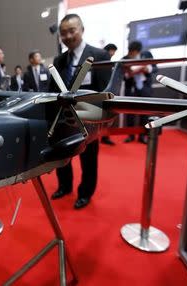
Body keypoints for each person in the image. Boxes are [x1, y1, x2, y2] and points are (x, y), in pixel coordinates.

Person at [49, 14, 111, 209]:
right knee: (62, 155)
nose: (67, 36)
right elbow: (52, 89)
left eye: (71, 30)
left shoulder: (99, 56)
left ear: (81, 30)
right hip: (62, 118)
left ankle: (85, 193)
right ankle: (64, 186)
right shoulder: (59, 60)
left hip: (87, 118)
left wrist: (103, 120)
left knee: (89, 158)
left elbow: (104, 90)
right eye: (63, 33)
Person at [123, 41, 156, 144]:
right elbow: (123, 75)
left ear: (138, 51)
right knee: (130, 114)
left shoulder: (147, 55)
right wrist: (129, 74)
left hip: (144, 88)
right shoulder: (125, 58)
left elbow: (155, 68)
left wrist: (147, 69)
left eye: (133, 52)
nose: (131, 54)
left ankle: (143, 136)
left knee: (145, 114)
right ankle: (130, 136)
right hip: (131, 88)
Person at [100, 43, 118, 146]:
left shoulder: (109, 62)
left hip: (107, 94)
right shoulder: (103, 60)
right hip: (102, 93)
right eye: (113, 51)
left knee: (107, 117)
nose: (113, 54)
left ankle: (104, 137)